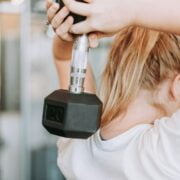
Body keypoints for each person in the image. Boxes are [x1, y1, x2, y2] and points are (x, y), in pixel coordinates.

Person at [46, 0, 180, 179]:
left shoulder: (77, 142)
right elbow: (63, 58)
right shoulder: (165, 150)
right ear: (177, 86)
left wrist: (71, 30)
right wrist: (130, 11)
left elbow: (63, 58)